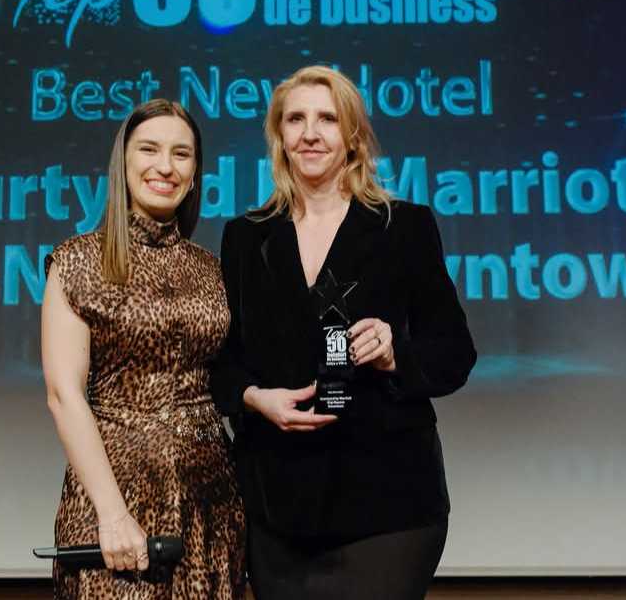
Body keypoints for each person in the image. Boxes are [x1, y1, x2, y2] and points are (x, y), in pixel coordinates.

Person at [211, 66, 477, 599]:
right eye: (296, 120)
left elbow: (454, 352)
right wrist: (254, 397)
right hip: (276, 507)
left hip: (388, 505)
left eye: (327, 119)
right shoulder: (245, 237)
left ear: (353, 135)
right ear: (279, 136)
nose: (310, 134)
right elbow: (223, 359)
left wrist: (394, 353)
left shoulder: (404, 227)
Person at [41, 99, 246, 599]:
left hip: (212, 501)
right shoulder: (78, 260)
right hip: (117, 497)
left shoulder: (211, 268)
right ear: (124, 162)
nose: (165, 166)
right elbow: (64, 395)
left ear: (195, 175)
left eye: (181, 154)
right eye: (149, 149)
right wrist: (112, 513)